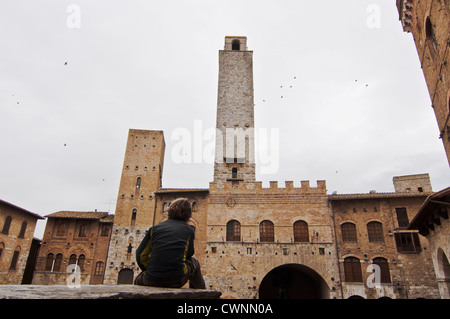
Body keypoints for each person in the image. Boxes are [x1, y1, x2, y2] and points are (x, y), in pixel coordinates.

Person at [134, 198, 206, 289]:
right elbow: (189, 254)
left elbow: (140, 255)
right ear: (188, 214)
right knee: (194, 262)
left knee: (137, 280)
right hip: (176, 280)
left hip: (151, 279)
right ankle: (201, 294)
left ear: (169, 210)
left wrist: (150, 269)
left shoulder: (154, 229)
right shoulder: (190, 230)